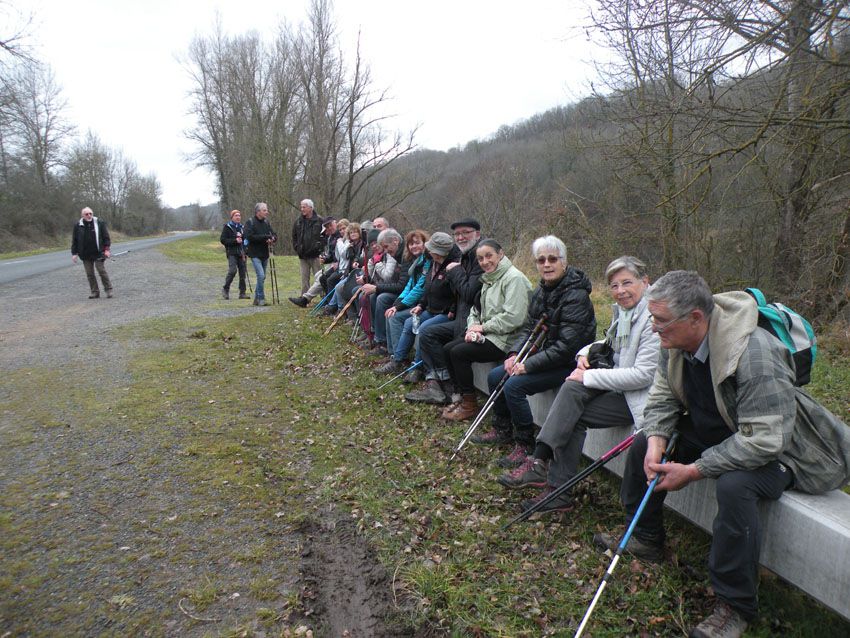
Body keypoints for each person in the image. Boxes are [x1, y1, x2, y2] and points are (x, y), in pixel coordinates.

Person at [592, 270, 850, 638]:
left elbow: (764, 439)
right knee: (641, 444)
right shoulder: (675, 344)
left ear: (696, 318)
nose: (653, 328)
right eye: (652, 318)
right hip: (723, 429)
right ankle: (646, 537)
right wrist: (655, 441)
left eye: (661, 320)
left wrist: (695, 470)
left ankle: (735, 605)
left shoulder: (755, 353)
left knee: (733, 485)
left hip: (788, 450)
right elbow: (663, 397)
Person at [499, 256, 658, 517]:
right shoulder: (627, 313)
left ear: (645, 281)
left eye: (627, 283)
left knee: (574, 392)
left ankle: (542, 465)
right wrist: (584, 355)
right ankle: (553, 486)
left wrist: (589, 377)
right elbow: (606, 343)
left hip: (641, 401)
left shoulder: (652, 318)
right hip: (619, 390)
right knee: (571, 401)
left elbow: (642, 376)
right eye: (614, 286)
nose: (620, 291)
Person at [475, 236, 597, 469]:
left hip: (567, 362)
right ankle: (502, 428)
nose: (547, 265)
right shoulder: (542, 290)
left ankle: (525, 442)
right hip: (546, 355)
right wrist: (513, 354)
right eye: (541, 260)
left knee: (514, 386)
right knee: (495, 375)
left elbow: (567, 347)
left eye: (553, 259)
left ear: (564, 261)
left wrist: (528, 366)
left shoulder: (576, 296)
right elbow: (529, 328)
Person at [441, 239, 532, 421]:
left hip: (508, 338)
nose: (485, 262)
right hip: (490, 333)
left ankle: (470, 404)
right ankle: (460, 396)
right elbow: (476, 308)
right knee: (448, 348)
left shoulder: (514, 279)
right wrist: (472, 328)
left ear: (501, 254)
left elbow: (515, 317)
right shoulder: (489, 278)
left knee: (459, 353)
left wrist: (482, 328)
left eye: (489, 256)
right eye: (480, 258)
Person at [405, 219, 484, 404]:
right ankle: (434, 381)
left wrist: (455, 273)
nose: (461, 237)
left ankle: (448, 386)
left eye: (466, 232)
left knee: (429, 332)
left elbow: (468, 293)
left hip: (472, 321)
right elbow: (454, 294)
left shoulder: (475, 258)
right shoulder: (465, 256)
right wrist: (415, 305)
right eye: (457, 234)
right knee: (421, 328)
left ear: (477, 234)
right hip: (460, 315)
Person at [375, 230, 433, 374]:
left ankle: (398, 359)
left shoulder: (427, 261)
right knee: (390, 312)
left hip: (423, 303)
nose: (414, 247)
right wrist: (396, 304)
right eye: (411, 244)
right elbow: (409, 285)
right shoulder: (414, 261)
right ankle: (393, 354)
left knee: (395, 317)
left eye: (417, 243)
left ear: (425, 243)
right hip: (415, 301)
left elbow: (420, 288)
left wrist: (400, 305)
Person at [358, 228, 414, 355]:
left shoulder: (404, 255)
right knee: (373, 296)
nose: (386, 250)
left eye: (386, 246)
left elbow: (401, 284)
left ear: (395, 241)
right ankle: (377, 338)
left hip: (407, 293)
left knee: (382, 298)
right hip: (403, 291)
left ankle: (385, 345)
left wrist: (377, 288)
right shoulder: (396, 254)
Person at [288, 216, 342, 308]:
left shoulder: (339, 237)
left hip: (340, 266)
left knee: (322, 277)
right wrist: (325, 259)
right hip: (334, 264)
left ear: (335, 223)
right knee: (318, 275)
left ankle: (307, 299)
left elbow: (341, 255)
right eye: (327, 227)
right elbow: (332, 255)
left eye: (330, 225)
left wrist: (331, 260)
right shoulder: (331, 237)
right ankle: (320, 299)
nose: (329, 228)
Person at [71, 206, 112, 299]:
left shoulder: (100, 222)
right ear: (82, 215)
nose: (89, 215)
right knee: (90, 273)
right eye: (86, 214)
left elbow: (106, 237)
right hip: (85, 253)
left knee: (101, 270)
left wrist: (107, 250)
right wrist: (74, 253)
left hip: (99, 252)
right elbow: (75, 240)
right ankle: (95, 292)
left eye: (90, 213)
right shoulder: (78, 225)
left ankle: (108, 289)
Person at [244, 202, 277, 306]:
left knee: (262, 277)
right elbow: (249, 236)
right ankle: (261, 299)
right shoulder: (250, 222)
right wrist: (265, 237)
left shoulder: (267, 223)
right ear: (258, 212)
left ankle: (256, 299)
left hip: (265, 253)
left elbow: (274, 234)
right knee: (261, 275)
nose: (267, 212)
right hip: (254, 254)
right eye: (264, 210)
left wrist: (273, 239)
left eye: (266, 210)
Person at [292, 198, 324, 295]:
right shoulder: (298, 221)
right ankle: (304, 298)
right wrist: (297, 247)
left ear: (310, 208)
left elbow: (324, 236)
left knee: (319, 277)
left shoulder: (319, 221)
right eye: (301, 207)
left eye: (304, 207)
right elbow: (294, 236)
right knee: (304, 278)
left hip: (316, 255)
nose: (302, 209)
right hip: (303, 255)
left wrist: (320, 248)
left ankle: (324, 297)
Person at [220, 209, 249, 300]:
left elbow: (246, 240)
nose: (238, 217)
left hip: (242, 253)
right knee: (232, 271)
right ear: (232, 217)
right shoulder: (227, 227)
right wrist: (235, 241)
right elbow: (223, 240)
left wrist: (245, 247)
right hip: (232, 253)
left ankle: (242, 293)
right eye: (236, 215)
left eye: (239, 215)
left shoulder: (242, 227)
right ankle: (225, 289)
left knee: (242, 273)